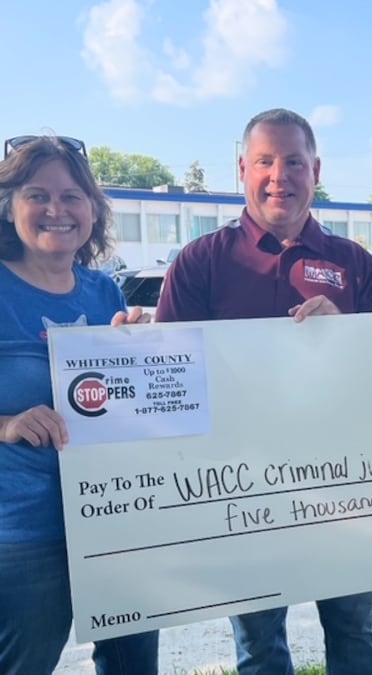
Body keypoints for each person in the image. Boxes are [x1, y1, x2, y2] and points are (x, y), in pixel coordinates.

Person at [156, 108, 372, 675]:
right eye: (264, 161)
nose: (278, 175)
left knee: (353, 633)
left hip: (346, 486)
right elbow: (168, 381)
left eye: (293, 161)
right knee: (259, 646)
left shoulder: (354, 263)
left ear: (316, 170)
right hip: (244, 488)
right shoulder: (200, 262)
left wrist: (350, 333)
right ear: (242, 168)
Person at [0, 135, 159, 674]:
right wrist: (6, 424)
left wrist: (141, 352)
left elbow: (122, 407)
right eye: (37, 195)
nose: (56, 210)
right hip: (23, 529)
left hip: (114, 516)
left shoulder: (104, 294)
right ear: (9, 205)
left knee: (133, 664)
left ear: (92, 210)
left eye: (72, 196)